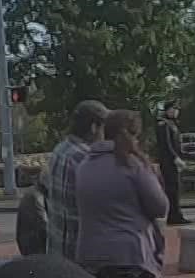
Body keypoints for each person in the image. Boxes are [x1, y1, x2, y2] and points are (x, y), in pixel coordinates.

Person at [75, 109, 169, 278]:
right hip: (129, 254)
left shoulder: (84, 165)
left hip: (91, 256)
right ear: (133, 135)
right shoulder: (132, 165)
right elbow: (160, 207)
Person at [45, 99, 109, 262]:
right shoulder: (86, 158)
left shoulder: (60, 149)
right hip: (79, 251)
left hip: (57, 247)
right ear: (94, 127)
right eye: (103, 127)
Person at [155, 101, 186, 225]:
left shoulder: (173, 124)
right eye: (174, 109)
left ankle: (176, 214)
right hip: (168, 162)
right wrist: (175, 158)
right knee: (171, 189)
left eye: (177, 109)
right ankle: (173, 215)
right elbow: (166, 144)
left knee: (176, 189)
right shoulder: (163, 124)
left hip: (173, 162)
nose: (176, 111)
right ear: (168, 110)